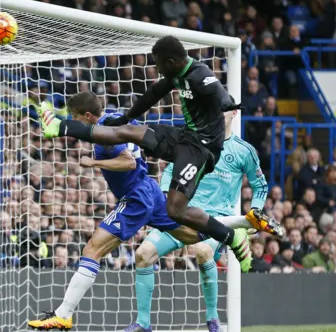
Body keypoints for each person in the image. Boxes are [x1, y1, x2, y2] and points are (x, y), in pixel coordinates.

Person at [27, 92, 279, 331]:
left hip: (137, 196)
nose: (76, 123)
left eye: (76, 118)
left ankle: (63, 315)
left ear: (88, 117)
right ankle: (241, 225)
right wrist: (51, 112)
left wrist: (94, 162)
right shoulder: (113, 117)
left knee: (92, 249)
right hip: (150, 190)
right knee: (192, 235)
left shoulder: (105, 133)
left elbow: (127, 160)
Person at [37, 36, 259, 272]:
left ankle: (232, 237)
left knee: (176, 210)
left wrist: (226, 104)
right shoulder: (176, 74)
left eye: (159, 64)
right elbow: (153, 94)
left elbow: (216, 91)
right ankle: (60, 127)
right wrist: (125, 117)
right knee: (126, 130)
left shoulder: (199, 74)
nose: (157, 69)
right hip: (185, 137)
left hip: (201, 149)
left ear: (171, 61)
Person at [128, 101, 277, 332]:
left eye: (223, 108)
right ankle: (143, 323)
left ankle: (212, 318)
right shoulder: (194, 142)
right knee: (143, 254)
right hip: (183, 214)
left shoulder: (243, 151)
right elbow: (169, 172)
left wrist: (255, 212)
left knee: (203, 250)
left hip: (217, 220)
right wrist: (165, 194)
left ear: (234, 113)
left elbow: (260, 186)